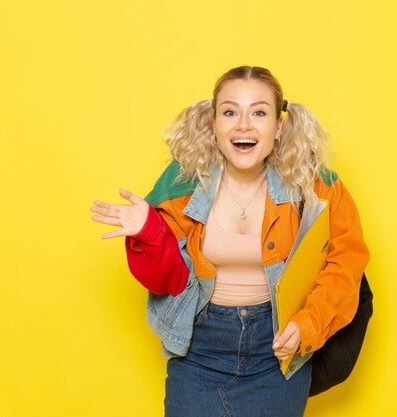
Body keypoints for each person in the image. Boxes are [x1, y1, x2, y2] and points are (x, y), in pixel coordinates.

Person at [90, 66, 370, 417]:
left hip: (279, 350)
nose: (243, 125)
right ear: (213, 124)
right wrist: (148, 233)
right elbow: (165, 280)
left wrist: (308, 325)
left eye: (259, 112)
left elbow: (347, 260)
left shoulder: (315, 185)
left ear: (279, 127)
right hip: (199, 351)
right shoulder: (183, 183)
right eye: (230, 112)